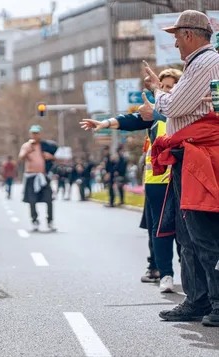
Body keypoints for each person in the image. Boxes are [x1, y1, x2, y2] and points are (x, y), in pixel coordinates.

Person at [144, 10, 219, 326]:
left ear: (190, 34)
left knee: (203, 234)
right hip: (186, 155)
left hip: (197, 157)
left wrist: (159, 96)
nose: (174, 43)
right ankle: (198, 299)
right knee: (188, 234)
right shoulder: (199, 64)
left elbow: (175, 107)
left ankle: (213, 302)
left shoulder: (204, 64)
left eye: (176, 36)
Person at [81, 68, 183, 293]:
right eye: (163, 86)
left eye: (171, 86)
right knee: (159, 228)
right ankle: (165, 273)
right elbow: (131, 120)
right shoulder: (153, 116)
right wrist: (104, 123)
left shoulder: (183, 111)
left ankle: (190, 274)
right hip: (157, 181)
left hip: (182, 179)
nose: (166, 90)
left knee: (186, 230)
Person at [18, 125, 56, 232]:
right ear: (30, 134)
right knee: (32, 200)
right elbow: (20, 157)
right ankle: (34, 220)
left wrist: (50, 156)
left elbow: (55, 157)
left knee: (49, 199)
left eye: (37, 133)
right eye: (33, 133)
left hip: (43, 176)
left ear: (40, 134)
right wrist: (28, 151)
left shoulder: (45, 146)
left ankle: (50, 221)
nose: (35, 135)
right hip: (31, 176)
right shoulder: (27, 146)